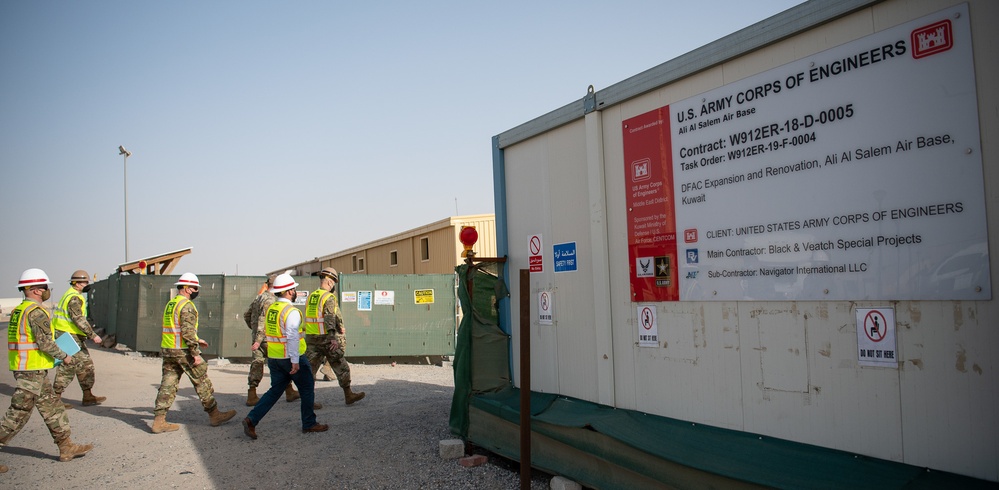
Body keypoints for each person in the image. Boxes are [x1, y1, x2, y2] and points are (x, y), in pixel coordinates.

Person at [1, 269, 93, 471]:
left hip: (32, 368)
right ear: (34, 289)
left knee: (53, 408)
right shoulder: (35, 312)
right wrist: (64, 356)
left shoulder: (20, 309)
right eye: (44, 287)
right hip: (30, 370)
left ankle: (66, 446)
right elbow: (45, 343)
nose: (46, 290)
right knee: (18, 414)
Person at [242, 273, 328, 440]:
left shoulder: (272, 309)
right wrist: (295, 361)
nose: (295, 292)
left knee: (275, 391)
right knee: (307, 387)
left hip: (274, 358)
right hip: (290, 358)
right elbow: (292, 337)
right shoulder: (291, 311)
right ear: (289, 292)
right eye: (294, 289)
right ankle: (309, 423)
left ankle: (251, 419)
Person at [151, 272, 237, 433]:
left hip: (169, 349)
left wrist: (197, 339)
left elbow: (177, 329)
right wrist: (195, 353)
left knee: (168, 383)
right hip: (183, 351)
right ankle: (214, 414)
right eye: (195, 288)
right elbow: (187, 331)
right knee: (201, 380)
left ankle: (159, 420)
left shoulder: (172, 303)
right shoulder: (187, 306)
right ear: (188, 289)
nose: (197, 291)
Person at [304, 267, 365, 405]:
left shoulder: (312, 296)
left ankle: (309, 402)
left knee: (310, 371)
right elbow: (329, 318)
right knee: (341, 366)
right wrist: (333, 337)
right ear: (331, 283)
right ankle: (348, 394)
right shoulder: (328, 297)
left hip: (311, 338)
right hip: (325, 338)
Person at [243, 274, 302, 406]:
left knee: (257, 363)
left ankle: (252, 393)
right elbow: (264, 321)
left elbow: (246, 315)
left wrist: (254, 331)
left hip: (257, 336)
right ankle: (289, 391)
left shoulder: (259, 297)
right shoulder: (271, 300)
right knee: (284, 363)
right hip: (268, 338)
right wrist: (260, 338)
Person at [51, 270, 106, 408]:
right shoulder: (73, 297)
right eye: (84, 282)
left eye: (87, 282)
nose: (86, 284)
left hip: (73, 336)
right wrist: (92, 335)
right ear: (75, 283)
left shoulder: (74, 295)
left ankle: (88, 396)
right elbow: (78, 319)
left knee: (86, 365)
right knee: (68, 367)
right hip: (68, 336)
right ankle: (54, 400)